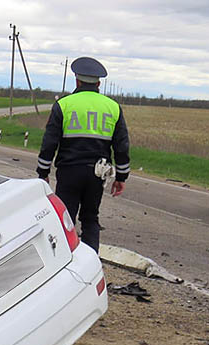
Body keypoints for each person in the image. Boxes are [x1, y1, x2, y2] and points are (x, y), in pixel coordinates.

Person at [36, 56, 130, 253]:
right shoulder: (113, 107)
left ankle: (63, 260)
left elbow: (49, 142)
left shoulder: (64, 105)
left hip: (69, 171)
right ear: (98, 83)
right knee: (90, 219)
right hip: (97, 174)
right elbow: (121, 146)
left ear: (77, 81)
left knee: (65, 219)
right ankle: (90, 262)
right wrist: (121, 177)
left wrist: (43, 171)